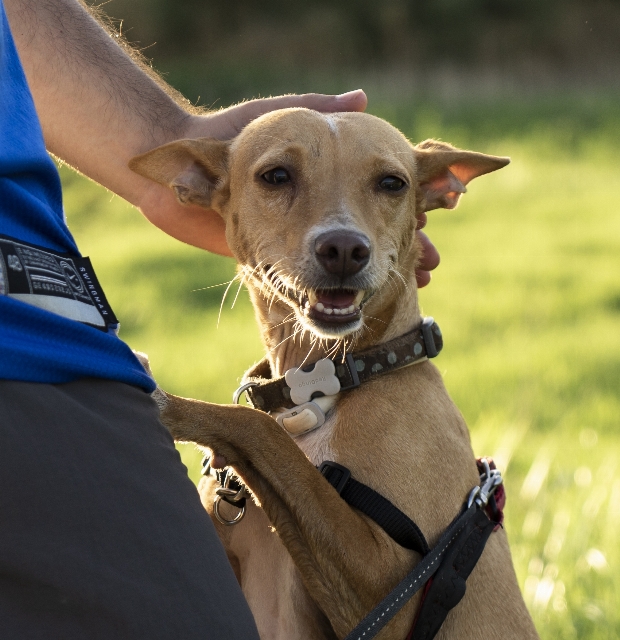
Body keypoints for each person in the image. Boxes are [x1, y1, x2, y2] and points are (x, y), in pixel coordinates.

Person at [0, 0, 439, 636]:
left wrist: (161, 131)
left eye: (390, 187)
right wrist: (238, 434)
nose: (342, 233)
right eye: (281, 177)